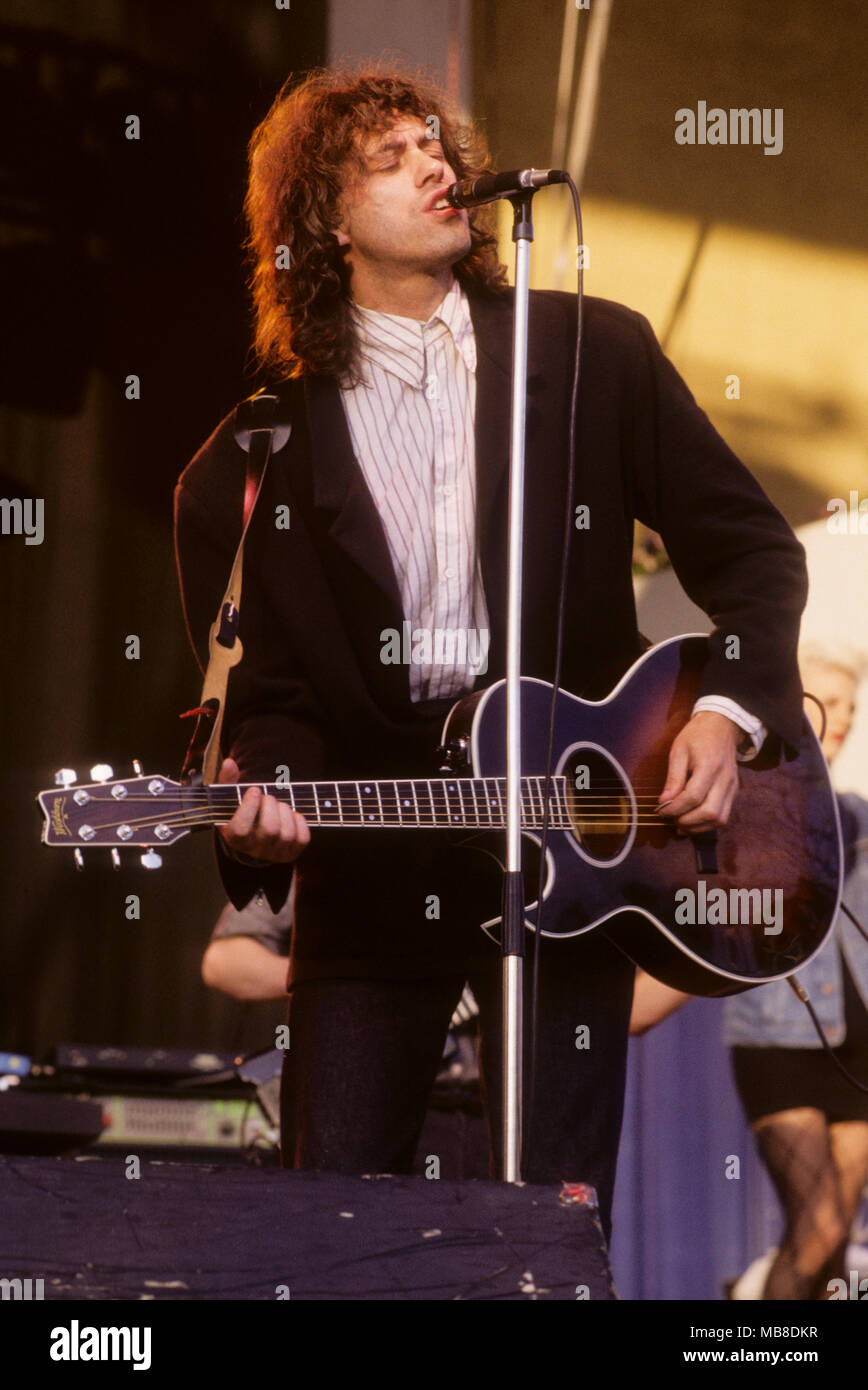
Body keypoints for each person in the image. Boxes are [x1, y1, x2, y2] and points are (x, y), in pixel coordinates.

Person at [174, 65, 807, 1240]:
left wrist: (724, 710)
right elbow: (266, 698)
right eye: (389, 157)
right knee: (340, 1231)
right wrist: (261, 788)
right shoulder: (251, 461)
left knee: (554, 1230)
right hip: (374, 875)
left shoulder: (590, 356)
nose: (436, 166)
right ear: (321, 219)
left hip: (572, 847)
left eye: (436, 145)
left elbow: (753, 553)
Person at [722, 644, 868, 1299]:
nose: (840, 718)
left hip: (860, 1046)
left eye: (850, 706)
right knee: (818, 1226)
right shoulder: (743, 804)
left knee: (836, 1239)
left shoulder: (856, 813)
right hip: (778, 1038)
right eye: (825, 702)